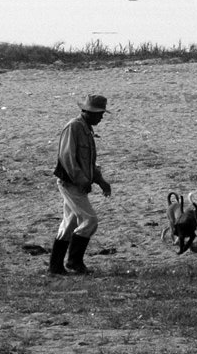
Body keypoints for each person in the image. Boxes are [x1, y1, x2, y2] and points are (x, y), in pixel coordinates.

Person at [49, 94, 112, 275]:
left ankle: (55, 267)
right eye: (100, 113)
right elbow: (67, 158)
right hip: (70, 183)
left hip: (76, 183)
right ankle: (74, 262)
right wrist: (83, 181)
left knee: (69, 224)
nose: (101, 117)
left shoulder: (86, 129)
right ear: (88, 112)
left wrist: (100, 181)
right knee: (90, 220)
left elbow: (89, 162)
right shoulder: (74, 128)